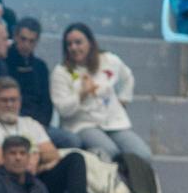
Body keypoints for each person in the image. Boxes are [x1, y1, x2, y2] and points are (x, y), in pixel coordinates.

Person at [0, 76, 95, 193]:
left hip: (38, 180)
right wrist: (32, 161)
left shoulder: (30, 124)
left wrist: (36, 157)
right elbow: (0, 163)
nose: (9, 104)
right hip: (10, 185)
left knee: (75, 158)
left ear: (20, 101)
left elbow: (53, 155)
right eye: (4, 100)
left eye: (13, 100)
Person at [50, 23, 152, 162]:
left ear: (90, 43)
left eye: (78, 42)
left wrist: (123, 99)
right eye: (69, 44)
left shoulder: (109, 60)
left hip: (114, 123)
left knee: (142, 154)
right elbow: (63, 109)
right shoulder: (61, 72)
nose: (74, 48)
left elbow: (127, 77)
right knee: (110, 152)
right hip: (82, 125)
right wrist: (81, 94)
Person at [5, 18, 79, 148]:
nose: (26, 45)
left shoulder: (40, 67)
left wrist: (40, 125)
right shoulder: (3, 63)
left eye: (31, 41)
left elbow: (46, 102)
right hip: (11, 123)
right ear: (15, 36)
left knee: (72, 140)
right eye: (23, 39)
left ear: (37, 42)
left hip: (38, 125)